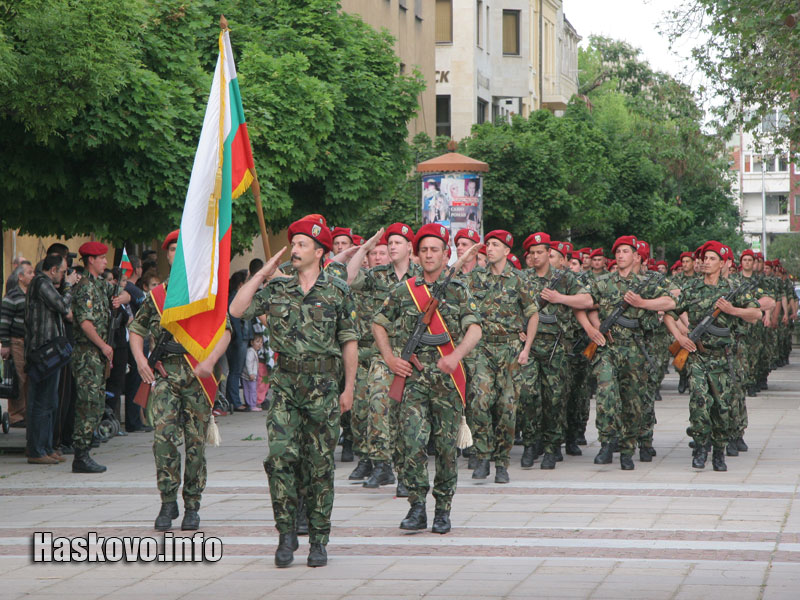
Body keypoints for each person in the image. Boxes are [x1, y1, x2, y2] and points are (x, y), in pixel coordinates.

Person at [230, 218, 357, 568]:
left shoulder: (337, 290)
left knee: (319, 466)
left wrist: (349, 388)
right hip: (285, 386)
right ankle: (286, 534)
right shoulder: (277, 289)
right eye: (294, 244)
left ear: (320, 252)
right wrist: (261, 275)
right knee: (281, 460)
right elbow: (237, 310)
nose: (295, 250)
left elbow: (348, 342)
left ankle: (318, 540)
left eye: (303, 245)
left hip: (323, 388)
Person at [373, 223, 481, 534]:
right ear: (417, 255)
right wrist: (391, 358)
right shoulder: (405, 290)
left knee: (446, 448)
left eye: (435, 250)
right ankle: (417, 506)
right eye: (424, 250)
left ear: (446, 254)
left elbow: (475, 328)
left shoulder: (458, 290)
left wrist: (455, 356)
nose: (429, 255)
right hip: (415, 381)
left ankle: (443, 510)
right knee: (412, 443)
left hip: (447, 382)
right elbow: (378, 323)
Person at [129, 228, 231, 531]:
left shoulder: (205, 291)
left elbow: (225, 331)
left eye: (181, 249)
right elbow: (137, 329)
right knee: (163, 441)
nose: (176, 254)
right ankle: (167, 501)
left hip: (198, 375)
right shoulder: (158, 295)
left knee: (195, 443)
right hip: (166, 374)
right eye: (171, 250)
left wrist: (210, 362)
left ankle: (193, 505)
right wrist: (139, 362)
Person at [664, 241, 761, 471]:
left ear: (724, 263)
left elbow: (756, 313)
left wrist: (732, 311)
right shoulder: (693, 289)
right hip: (698, 356)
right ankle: (700, 448)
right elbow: (668, 312)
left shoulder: (732, 290)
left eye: (711, 258)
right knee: (699, 403)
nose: (706, 262)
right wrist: (680, 337)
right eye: (704, 258)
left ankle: (719, 452)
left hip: (724, 358)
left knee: (722, 407)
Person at [583, 236, 677, 470]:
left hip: (635, 348)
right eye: (618, 251)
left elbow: (671, 302)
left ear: (636, 256)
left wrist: (642, 303)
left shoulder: (647, 283)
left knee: (632, 401)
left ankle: (627, 448)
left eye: (626, 251)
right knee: (606, 394)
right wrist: (595, 328)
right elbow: (585, 303)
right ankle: (606, 443)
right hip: (608, 348)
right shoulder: (603, 282)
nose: (620, 255)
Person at [347, 223, 419, 493]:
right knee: (378, 403)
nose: (392, 246)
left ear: (410, 247)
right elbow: (349, 278)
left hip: (416, 354)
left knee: (410, 413)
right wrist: (364, 248)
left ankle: (408, 471)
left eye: (398, 242)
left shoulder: (423, 276)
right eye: (390, 243)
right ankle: (382, 464)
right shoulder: (377, 276)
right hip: (384, 353)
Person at [466, 230, 538, 484]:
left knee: (507, 407)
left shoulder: (518, 279)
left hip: (509, 350)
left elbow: (532, 314)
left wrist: (526, 348)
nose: (490, 249)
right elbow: (448, 282)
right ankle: (483, 455)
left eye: (495, 245)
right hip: (483, 349)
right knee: (479, 402)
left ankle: (502, 462)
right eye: (488, 245)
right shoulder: (476, 277)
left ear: (507, 251)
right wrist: (466, 255)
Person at [70, 242, 130, 473]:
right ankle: (80, 455)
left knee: (95, 402)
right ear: (91, 260)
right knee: (87, 403)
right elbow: (85, 323)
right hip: (88, 353)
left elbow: (125, 294)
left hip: (98, 354)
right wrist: (104, 345)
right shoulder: (85, 287)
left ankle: (85, 449)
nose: (105, 261)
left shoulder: (99, 285)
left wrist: (120, 300)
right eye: (101, 258)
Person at [24, 254, 73, 464]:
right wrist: (69, 287)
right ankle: (36, 451)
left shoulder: (44, 284)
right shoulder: (41, 283)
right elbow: (62, 306)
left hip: (51, 350)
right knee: (41, 402)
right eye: (63, 272)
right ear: (52, 270)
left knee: (51, 401)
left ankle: (46, 447)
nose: (64, 276)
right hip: (42, 351)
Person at [1, 260, 34, 427]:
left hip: (30, 343)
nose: (33, 275)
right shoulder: (12, 296)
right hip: (17, 342)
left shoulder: (31, 294)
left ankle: (26, 412)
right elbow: (5, 321)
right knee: (18, 378)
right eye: (29, 272)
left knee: (28, 377)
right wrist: (5, 344)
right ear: (20, 277)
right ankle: (16, 416)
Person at [225, 269, 251, 412]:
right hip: (239, 339)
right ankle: (235, 401)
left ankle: (233, 400)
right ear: (241, 284)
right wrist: (239, 338)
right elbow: (234, 320)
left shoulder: (235, 296)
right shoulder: (235, 298)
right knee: (236, 370)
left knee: (236, 370)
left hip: (241, 338)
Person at [243, 335, 263, 411]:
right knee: (251, 390)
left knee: (249, 390)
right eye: (257, 342)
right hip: (250, 375)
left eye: (261, 342)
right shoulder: (251, 352)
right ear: (251, 342)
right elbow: (248, 362)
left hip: (249, 375)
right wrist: (251, 373)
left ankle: (250, 404)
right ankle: (252, 405)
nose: (259, 344)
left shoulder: (253, 351)